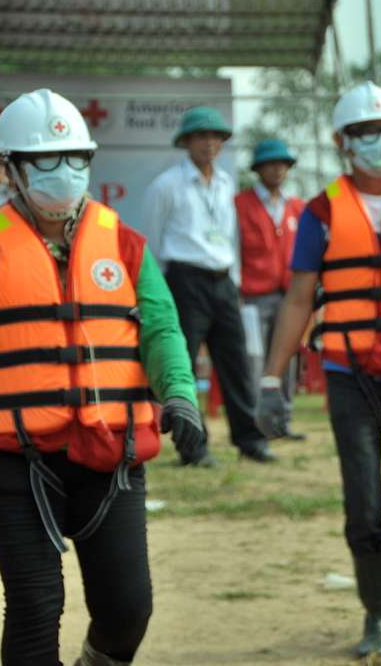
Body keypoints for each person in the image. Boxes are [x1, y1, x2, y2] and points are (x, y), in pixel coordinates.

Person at [254, 81, 381, 659]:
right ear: (343, 142)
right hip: (350, 376)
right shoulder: (320, 212)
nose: (379, 142)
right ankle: (379, 613)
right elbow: (299, 298)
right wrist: (271, 379)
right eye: (366, 133)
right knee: (364, 506)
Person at [0, 89, 203, 666]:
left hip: (111, 454)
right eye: (45, 160)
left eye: (76, 158)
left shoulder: (125, 244)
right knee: (36, 606)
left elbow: (160, 328)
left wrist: (179, 396)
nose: (63, 172)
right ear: (10, 169)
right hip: (16, 459)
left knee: (128, 609)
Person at [141, 105, 275, 465]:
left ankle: (250, 440)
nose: (209, 143)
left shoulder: (226, 183)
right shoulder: (166, 185)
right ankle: (193, 447)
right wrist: (162, 290)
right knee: (182, 363)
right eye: (201, 136)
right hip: (185, 279)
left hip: (223, 279)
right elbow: (152, 241)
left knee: (236, 362)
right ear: (186, 141)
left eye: (216, 136)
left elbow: (230, 238)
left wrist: (235, 282)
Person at [235, 138, 306, 440]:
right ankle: (256, 423)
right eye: (271, 164)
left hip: (289, 296)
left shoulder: (297, 207)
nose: (277, 170)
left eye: (282, 164)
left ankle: (282, 421)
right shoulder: (240, 204)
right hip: (252, 296)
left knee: (286, 358)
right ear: (258, 169)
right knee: (254, 360)